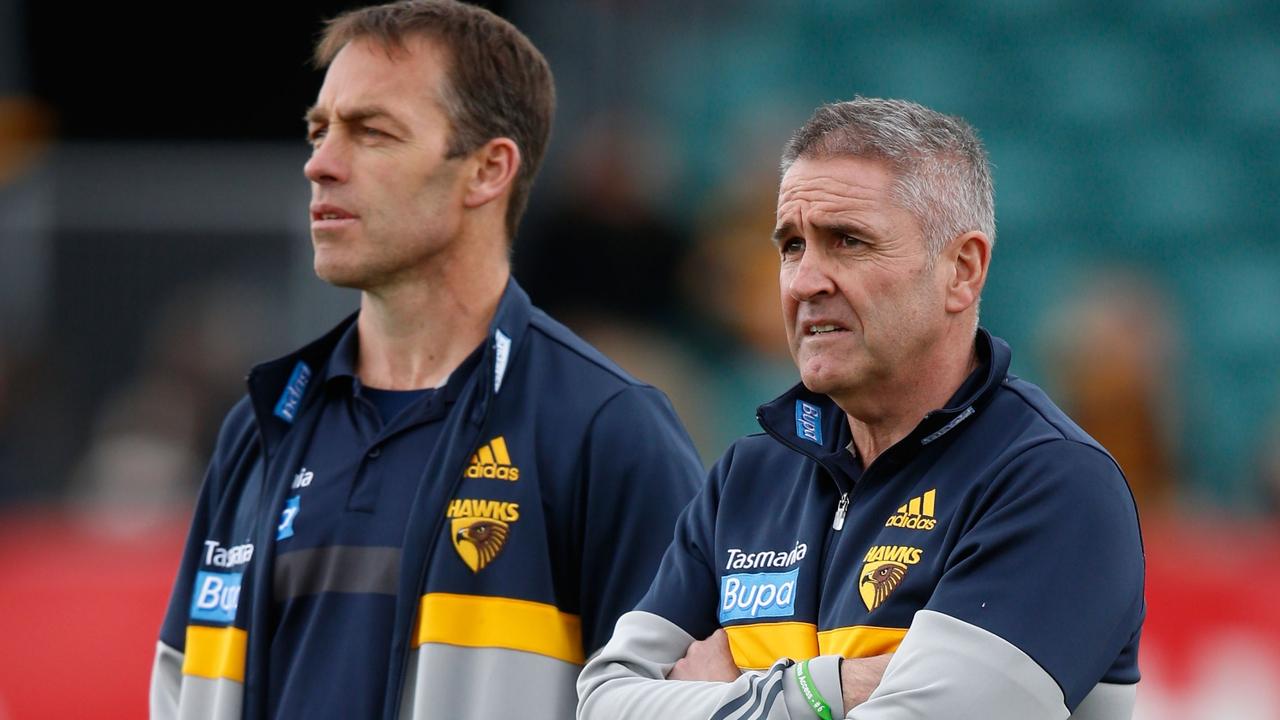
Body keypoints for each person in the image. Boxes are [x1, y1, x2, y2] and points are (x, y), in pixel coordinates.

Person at [149, 2, 703, 718]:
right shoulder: (258, 430)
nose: (320, 164)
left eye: (370, 133)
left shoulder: (608, 431)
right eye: (318, 131)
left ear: (487, 171)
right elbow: (178, 688)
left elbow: (685, 700)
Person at [578, 97, 1145, 720]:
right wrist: (829, 689)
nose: (803, 282)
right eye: (792, 245)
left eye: (847, 241)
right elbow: (602, 703)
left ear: (962, 270)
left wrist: (719, 694)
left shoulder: (1051, 484)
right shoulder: (747, 479)